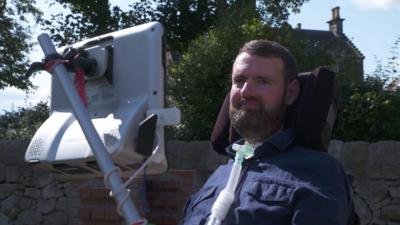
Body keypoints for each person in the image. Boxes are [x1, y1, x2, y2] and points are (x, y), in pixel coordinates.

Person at [179, 39, 355, 225]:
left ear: (291, 92)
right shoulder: (219, 176)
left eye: (262, 81)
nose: (246, 91)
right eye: (239, 81)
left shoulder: (318, 171)